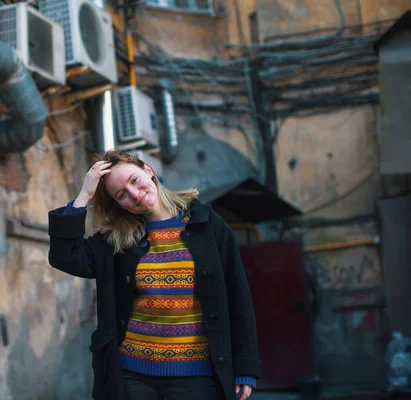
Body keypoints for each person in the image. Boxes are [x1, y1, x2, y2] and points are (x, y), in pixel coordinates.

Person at [48, 150, 261, 400]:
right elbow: (66, 257)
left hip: (199, 378)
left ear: (148, 170)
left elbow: (238, 294)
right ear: (118, 205)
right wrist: (84, 195)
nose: (134, 195)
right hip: (133, 378)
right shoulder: (118, 241)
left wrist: (245, 368)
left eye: (134, 180)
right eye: (122, 195)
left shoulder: (206, 224)